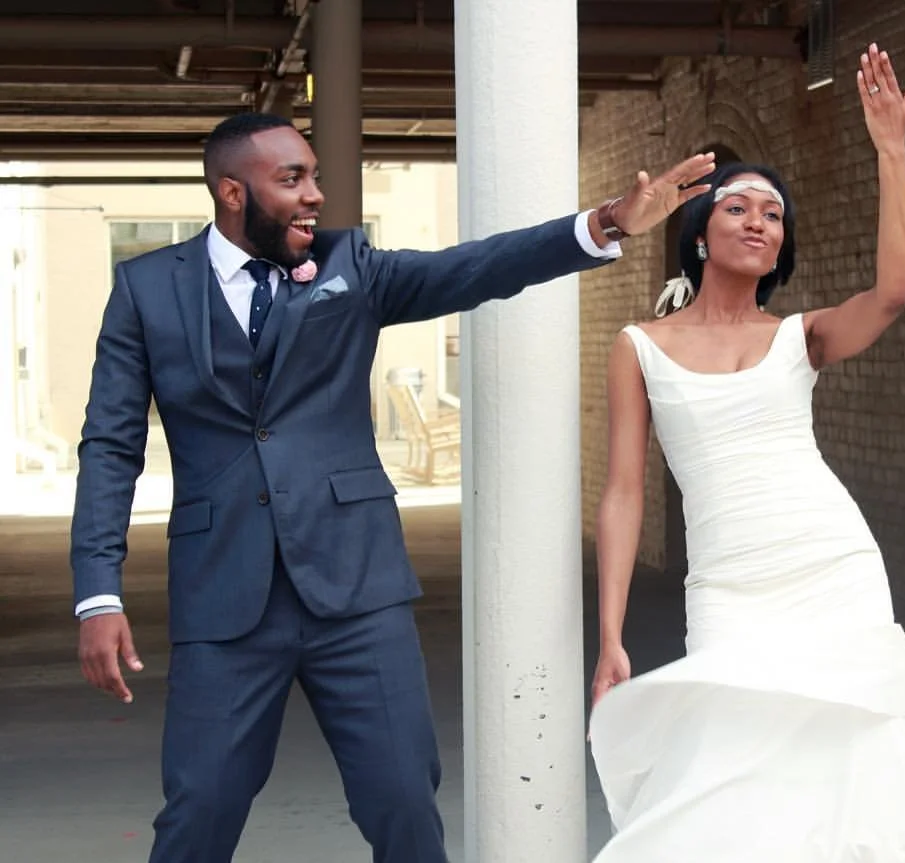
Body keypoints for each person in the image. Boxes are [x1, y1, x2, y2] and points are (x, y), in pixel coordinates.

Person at [69, 110, 715, 863]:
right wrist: (98, 591)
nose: (315, 194)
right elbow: (110, 443)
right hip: (224, 598)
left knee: (405, 801)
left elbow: (474, 267)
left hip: (358, 590)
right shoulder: (146, 289)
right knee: (199, 810)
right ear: (232, 193)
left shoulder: (354, 268)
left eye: (314, 175)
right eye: (292, 179)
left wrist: (604, 224)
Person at [588, 44, 905, 861]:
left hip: (832, 566)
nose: (758, 221)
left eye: (773, 215)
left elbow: (891, 292)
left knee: (853, 771)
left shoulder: (800, 336)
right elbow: (622, 493)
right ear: (700, 232)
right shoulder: (638, 346)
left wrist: (891, 149)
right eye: (739, 208)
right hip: (729, 587)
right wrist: (610, 632)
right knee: (731, 781)